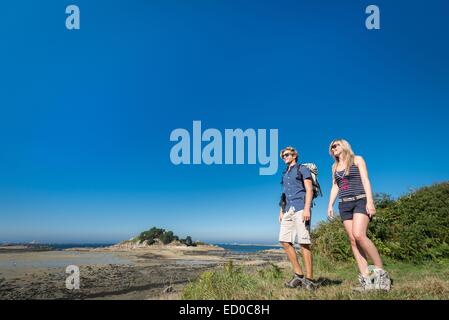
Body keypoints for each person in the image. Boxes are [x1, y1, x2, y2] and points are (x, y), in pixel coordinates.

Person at [327, 139, 391, 291]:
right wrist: (330, 205)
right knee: (353, 240)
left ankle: (381, 275)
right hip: (344, 204)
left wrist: (370, 201)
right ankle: (367, 280)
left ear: (344, 145)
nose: (333, 148)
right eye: (331, 147)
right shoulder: (334, 167)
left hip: (360, 200)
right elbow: (335, 186)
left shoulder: (357, 159)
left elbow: (365, 179)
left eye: (335, 145)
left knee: (359, 235)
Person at [278, 146, 316, 290]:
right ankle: (299, 275)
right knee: (284, 240)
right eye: (282, 156)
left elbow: (309, 189)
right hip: (288, 210)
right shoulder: (285, 174)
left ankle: (310, 280)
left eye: (287, 154)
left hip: (301, 208)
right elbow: (284, 194)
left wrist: (307, 208)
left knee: (304, 243)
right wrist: (281, 210)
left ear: (294, 155)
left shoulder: (302, 169)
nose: (284, 157)